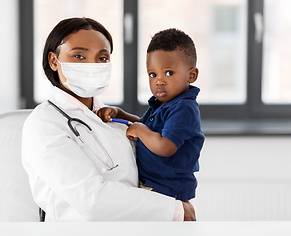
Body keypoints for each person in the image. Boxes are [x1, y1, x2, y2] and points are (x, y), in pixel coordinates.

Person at [22, 17, 195, 222]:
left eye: (102, 58)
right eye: (79, 56)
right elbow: (92, 199)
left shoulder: (108, 117)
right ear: (53, 61)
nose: (92, 66)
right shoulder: (44, 124)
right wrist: (176, 211)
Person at [96, 28, 204, 207]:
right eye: (152, 74)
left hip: (169, 192)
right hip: (153, 187)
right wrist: (120, 114)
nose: (159, 81)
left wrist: (139, 130)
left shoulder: (184, 108)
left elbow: (164, 146)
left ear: (191, 75)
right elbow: (147, 127)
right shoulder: (163, 104)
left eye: (169, 73)